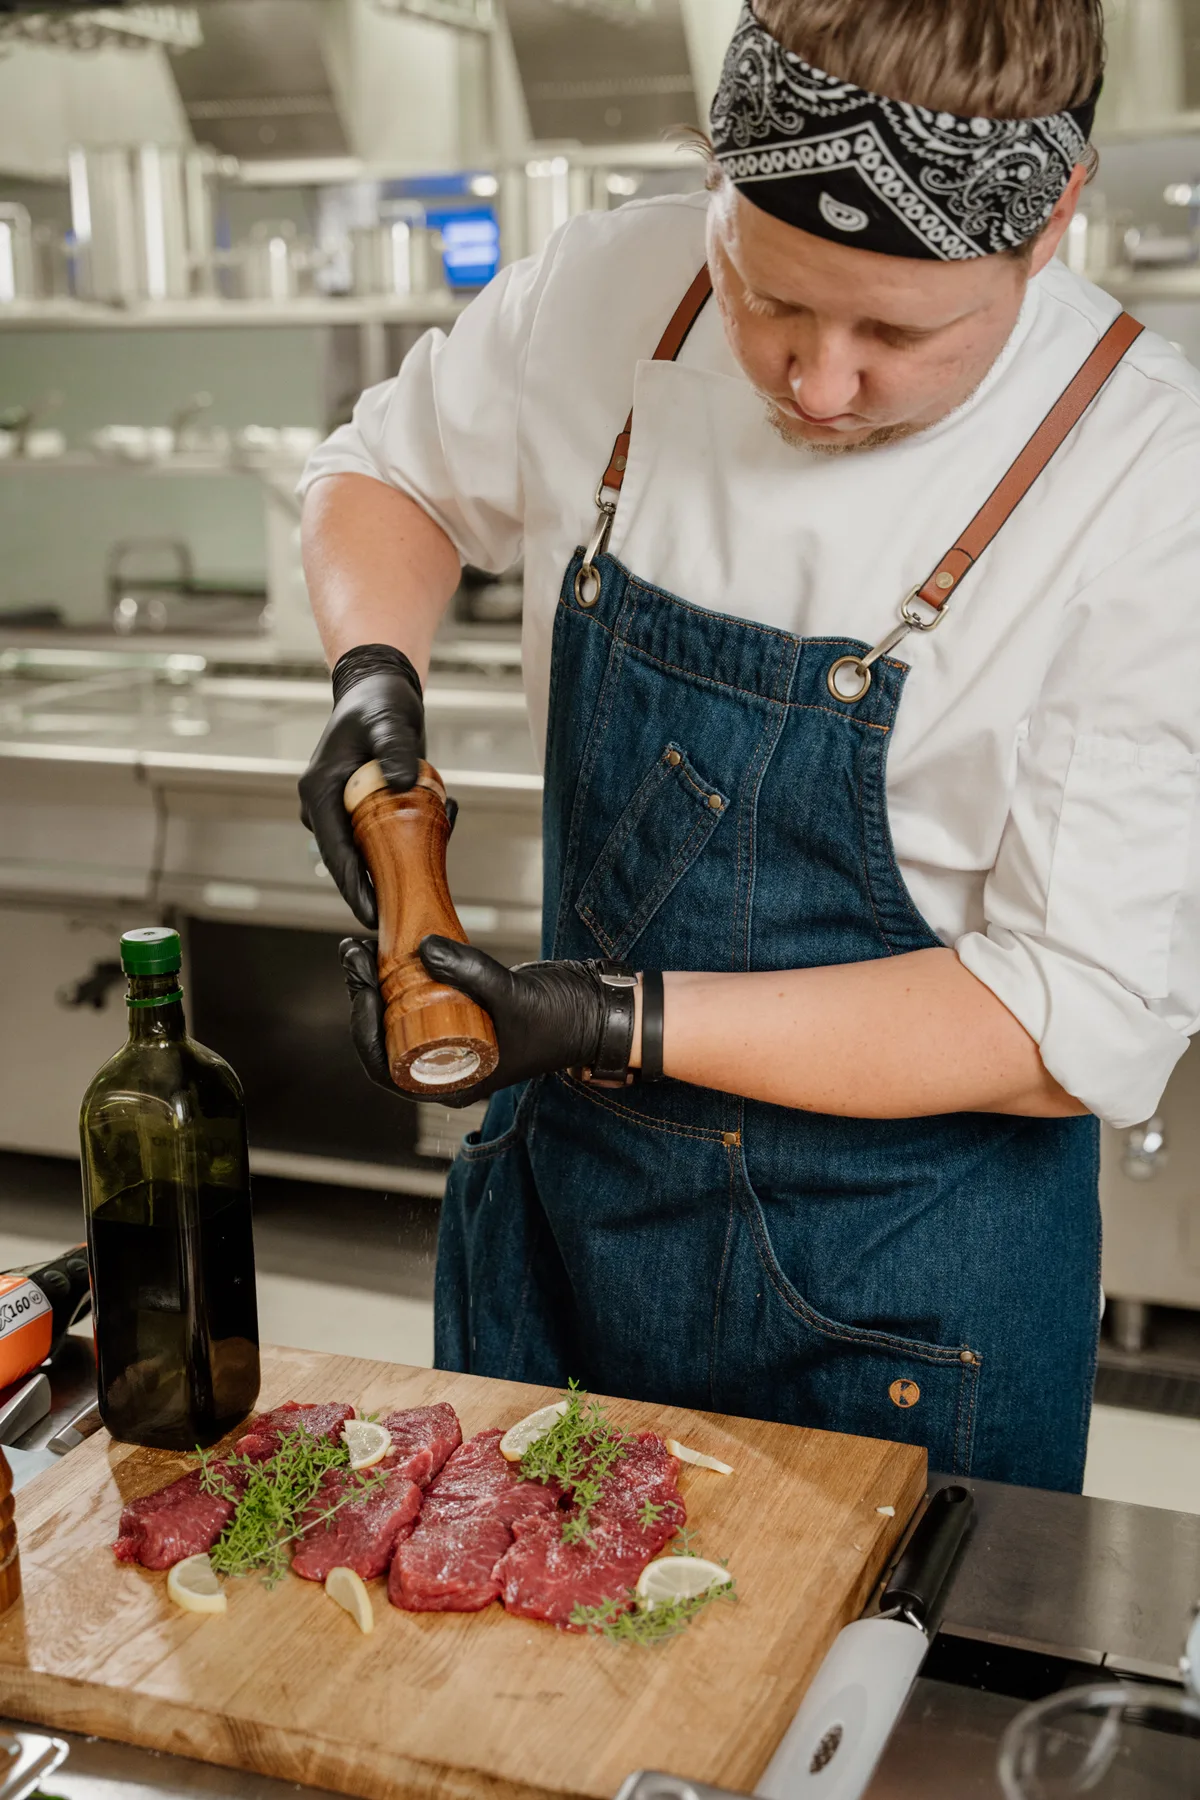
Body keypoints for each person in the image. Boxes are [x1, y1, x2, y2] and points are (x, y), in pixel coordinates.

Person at [298, 0, 1200, 1493]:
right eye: (765, 297)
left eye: (903, 332)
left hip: (896, 1295)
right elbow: (387, 469)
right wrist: (371, 674)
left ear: (1051, 228)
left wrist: (603, 1020)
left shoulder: (1149, 483)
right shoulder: (613, 287)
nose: (818, 380)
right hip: (558, 1225)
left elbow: (1069, 1019)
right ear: (711, 176)